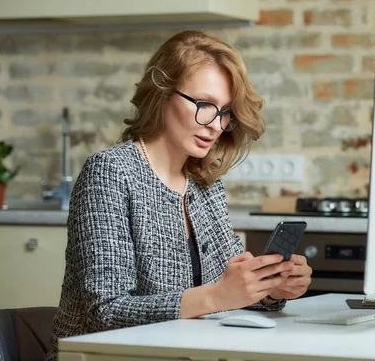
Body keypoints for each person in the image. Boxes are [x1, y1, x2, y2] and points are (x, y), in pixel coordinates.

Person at [47, 30, 312, 360]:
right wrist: (217, 296)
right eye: (205, 105)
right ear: (162, 93)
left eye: (225, 111)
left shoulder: (205, 184)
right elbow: (106, 311)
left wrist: (268, 288)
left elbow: (225, 289)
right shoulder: (111, 172)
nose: (215, 124)